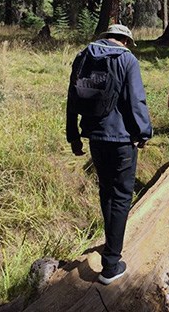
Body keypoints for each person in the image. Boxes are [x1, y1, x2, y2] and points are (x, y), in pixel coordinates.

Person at [66, 24, 152, 285]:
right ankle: (111, 265)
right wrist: (144, 132)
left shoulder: (84, 56)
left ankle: (110, 243)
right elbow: (136, 100)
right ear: (125, 40)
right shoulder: (127, 59)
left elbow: (72, 97)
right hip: (121, 139)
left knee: (106, 191)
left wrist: (73, 135)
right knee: (122, 196)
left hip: (94, 136)